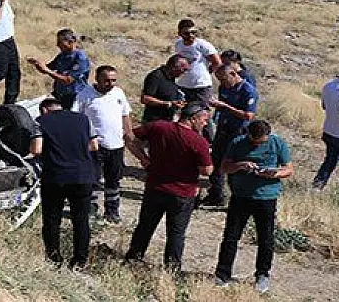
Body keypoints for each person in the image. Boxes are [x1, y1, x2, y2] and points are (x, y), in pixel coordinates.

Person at [124, 102, 214, 271]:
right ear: (193, 119)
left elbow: (129, 137)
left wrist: (143, 158)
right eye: (204, 119)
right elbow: (207, 170)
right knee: (176, 233)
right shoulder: (198, 141)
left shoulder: (158, 127)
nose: (206, 123)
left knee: (145, 226)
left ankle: (133, 258)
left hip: (155, 187)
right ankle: (171, 269)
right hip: (182, 193)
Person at [214, 120, 293, 294]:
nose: (257, 144)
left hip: (266, 197)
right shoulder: (237, 143)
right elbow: (224, 167)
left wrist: (274, 173)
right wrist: (240, 165)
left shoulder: (277, 143)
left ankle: (262, 275)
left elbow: (288, 169)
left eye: (261, 141)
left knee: (265, 239)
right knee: (231, 236)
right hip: (241, 196)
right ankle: (222, 274)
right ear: (248, 135)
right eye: (254, 141)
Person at [29, 98, 99, 269]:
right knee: (81, 220)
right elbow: (94, 146)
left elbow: (36, 149)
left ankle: (54, 258)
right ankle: (79, 260)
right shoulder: (83, 119)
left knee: (52, 220)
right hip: (83, 176)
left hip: (55, 176)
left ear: (44, 110)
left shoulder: (41, 121)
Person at [73, 65, 132, 223]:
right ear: (97, 79)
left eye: (113, 80)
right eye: (106, 80)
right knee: (92, 180)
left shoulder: (118, 93)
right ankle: (90, 210)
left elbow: (125, 115)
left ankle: (112, 211)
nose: (110, 84)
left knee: (113, 180)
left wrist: (129, 133)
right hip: (95, 146)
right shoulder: (84, 95)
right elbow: (76, 119)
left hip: (116, 145)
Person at [202, 64, 258, 207]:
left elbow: (248, 115)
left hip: (238, 132)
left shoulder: (248, 91)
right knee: (215, 162)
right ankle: (216, 194)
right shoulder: (224, 88)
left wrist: (226, 107)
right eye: (220, 80)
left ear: (233, 74)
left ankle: (238, 199)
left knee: (234, 165)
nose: (223, 83)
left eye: (224, 79)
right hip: (223, 128)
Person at [28, 28, 91, 110]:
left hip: (75, 97)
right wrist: (38, 64)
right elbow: (48, 68)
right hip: (60, 95)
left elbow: (68, 80)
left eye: (60, 42)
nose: (57, 45)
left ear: (70, 42)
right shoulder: (62, 55)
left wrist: (47, 71)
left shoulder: (80, 58)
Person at [174, 19, 221, 106]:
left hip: (201, 86)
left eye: (193, 32)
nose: (191, 35)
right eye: (187, 33)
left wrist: (208, 72)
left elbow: (217, 62)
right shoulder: (178, 44)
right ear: (180, 33)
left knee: (201, 112)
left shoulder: (202, 45)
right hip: (183, 84)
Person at [312, 75, 339, 190]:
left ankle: (317, 186)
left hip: (329, 130)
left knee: (330, 161)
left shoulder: (329, 85)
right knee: (331, 160)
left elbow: (324, 106)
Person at [140, 54, 190, 123]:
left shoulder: (172, 78)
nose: (184, 73)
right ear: (174, 67)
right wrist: (167, 103)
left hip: (167, 120)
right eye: (184, 69)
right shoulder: (156, 76)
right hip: (154, 121)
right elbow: (145, 99)